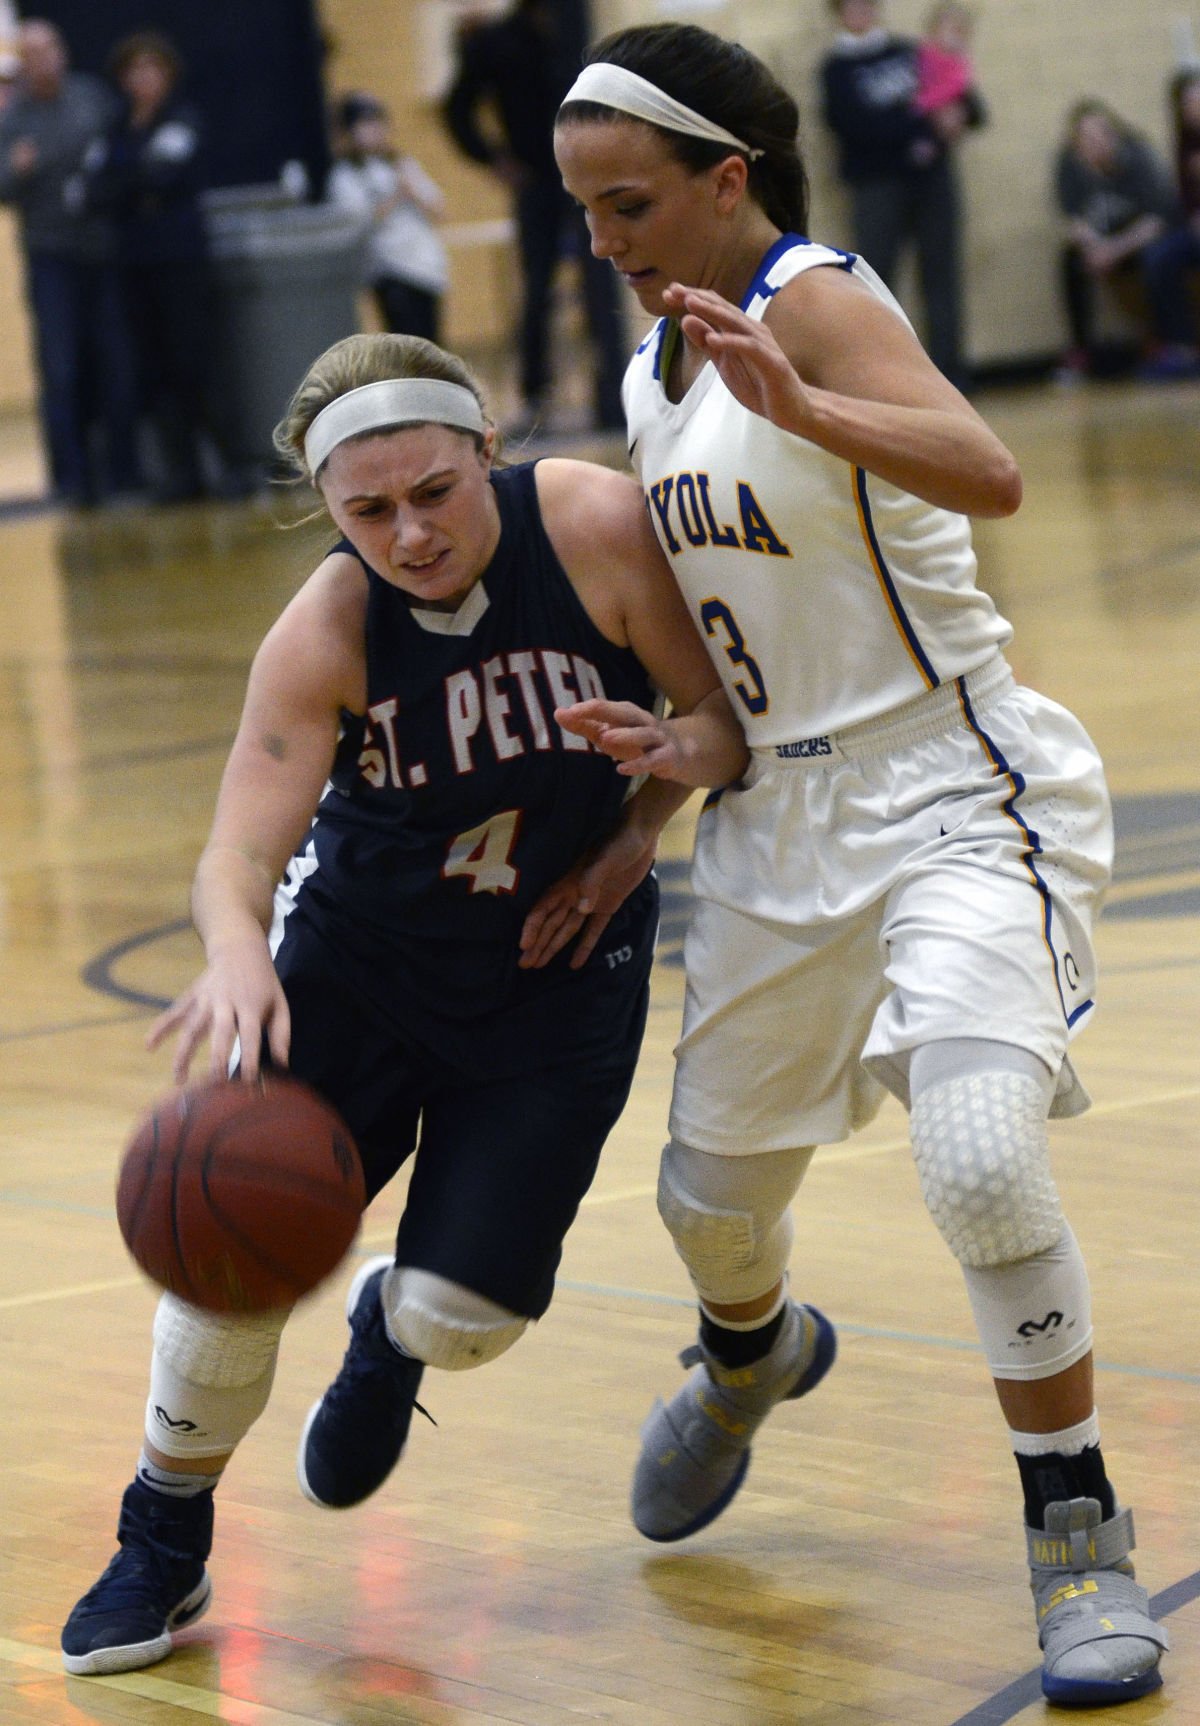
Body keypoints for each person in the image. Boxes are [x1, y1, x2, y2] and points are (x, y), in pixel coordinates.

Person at [553, 20, 1167, 1707]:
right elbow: (722, 661)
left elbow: (995, 469)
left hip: (951, 782)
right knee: (710, 1204)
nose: (603, 242)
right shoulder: (648, 374)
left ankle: (1076, 1530)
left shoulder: (813, 296)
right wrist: (660, 790)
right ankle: (751, 1357)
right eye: (586, 214)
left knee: (977, 1156)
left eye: (629, 206)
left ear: (724, 179)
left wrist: (806, 398)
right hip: (780, 821)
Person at [58, 328, 747, 1677]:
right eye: (367, 511)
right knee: (222, 1261)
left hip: (557, 969)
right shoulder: (326, 626)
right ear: (327, 509)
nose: (412, 533)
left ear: (489, 450)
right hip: (364, 963)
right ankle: (163, 1532)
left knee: (464, 1320)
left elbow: (723, 713)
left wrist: (639, 822)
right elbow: (237, 852)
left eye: (435, 491)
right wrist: (237, 951)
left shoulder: (597, 528)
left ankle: (392, 1329)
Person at [442, 0, 628, 437]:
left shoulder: (579, 30)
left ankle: (613, 386)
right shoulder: (498, 38)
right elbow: (458, 108)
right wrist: (493, 159)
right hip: (539, 181)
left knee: (607, 276)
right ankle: (535, 394)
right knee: (538, 291)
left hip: (589, 176)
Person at [84, 31, 239, 502]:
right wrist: (134, 188)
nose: (143, 78)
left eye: (152, 68)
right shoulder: (115, 128)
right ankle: (181, 473)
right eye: (134, 70)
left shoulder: (182, 120)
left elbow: (161, 177)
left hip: (182, 262)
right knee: (153, 369)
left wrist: (125, 185)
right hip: (135, 264)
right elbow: (93, 193)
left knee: (196, 363)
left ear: (168, 74)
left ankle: (227, 467)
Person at [0, 18, 141, 505]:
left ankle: (125, 477)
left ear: (62, 51)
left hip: (101, 251)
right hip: (51, 256)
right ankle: (70, 481)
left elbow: (122, 159)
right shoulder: (13, 118)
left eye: (50, 49)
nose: (43, 61)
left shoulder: (93, 100)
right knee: (61, 370)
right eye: (31, 53)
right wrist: (16, 171)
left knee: (115, 363)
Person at [819, 0, 983, 393]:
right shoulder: (835, 69)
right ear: (838, 11)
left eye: (865, 3)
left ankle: (951, 375)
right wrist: (919, 131)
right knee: (879, 281)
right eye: (850, 5)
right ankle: (886, 378)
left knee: (941, 275)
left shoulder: (910, 51)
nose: (859, 11)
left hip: (932, 180)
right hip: (877, 185)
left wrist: (957, 114)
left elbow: (968, 103)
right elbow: (852, 127)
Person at [1053, 100, 1182, 381]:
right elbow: (1074, 219)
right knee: (1071, 258)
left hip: (1139, 239)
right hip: (1104, 243)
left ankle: (1164, 341)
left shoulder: (1139, 158)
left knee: (1156, 256)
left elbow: (1157, 221)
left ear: (1114, 134)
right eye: (1085, 138)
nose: (1095, 142)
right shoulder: (1069, 163)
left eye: (1101, 134)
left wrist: (1113, 250)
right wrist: (1093, 248)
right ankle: (1081, 349)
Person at [327, 91, 448, 344]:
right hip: (390, 269)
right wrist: (394, 197)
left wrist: (412, 192)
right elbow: (356, 224)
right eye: (365, 124)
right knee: (407, 349)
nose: (375, 130)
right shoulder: (346, 175)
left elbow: (439, 209)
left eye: (377, 122)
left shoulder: (401, 164)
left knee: (433, 347)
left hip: (425, 268)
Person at [1138, 70, 1200, 379]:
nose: (1195, 104)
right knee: (1158, 258)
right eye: (1188, 99)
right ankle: (1183, 345)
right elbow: (1187, 197)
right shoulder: (1184, 143)